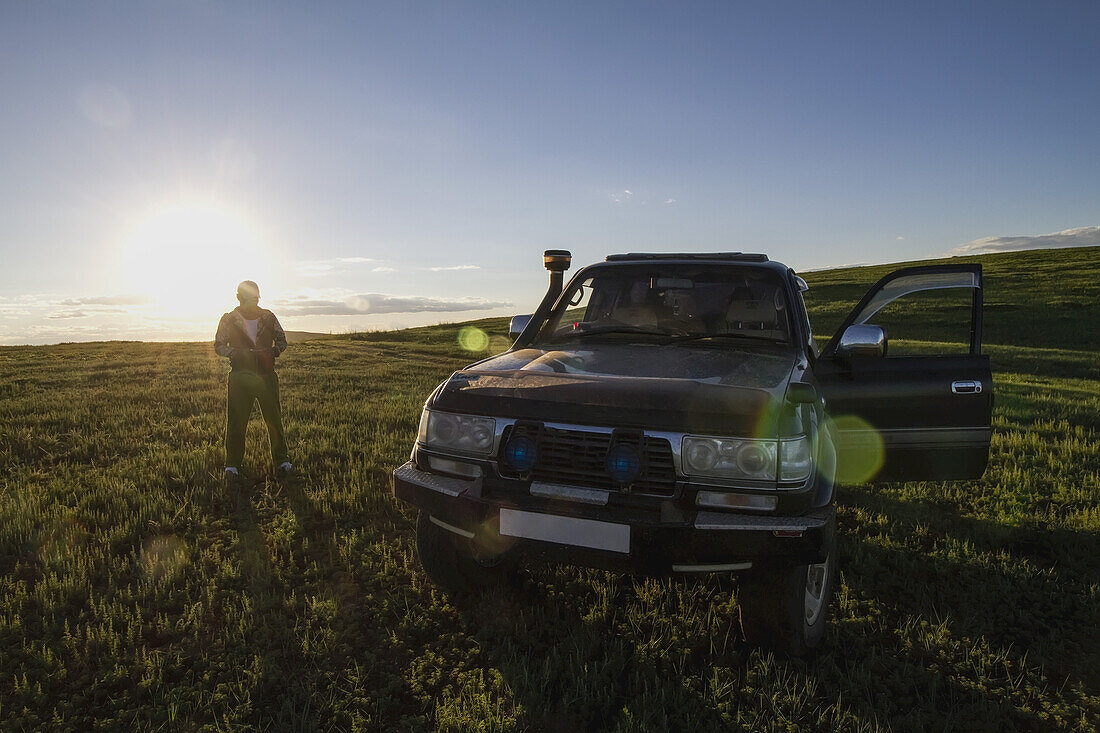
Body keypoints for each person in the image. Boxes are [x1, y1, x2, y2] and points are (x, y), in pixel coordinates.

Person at [214, 280, 292, 486]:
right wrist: (238, 353)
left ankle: (282, 461)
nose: (253, 304)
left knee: (274, 420)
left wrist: (273, 351)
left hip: (267, 376)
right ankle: (232, 465)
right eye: (249, 299)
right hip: (240, 376)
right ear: (239, 298)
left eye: (256, 299)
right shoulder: (228, 319)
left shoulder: (268, 316)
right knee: (236, 422)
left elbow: (282, 341)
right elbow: (219, 346)